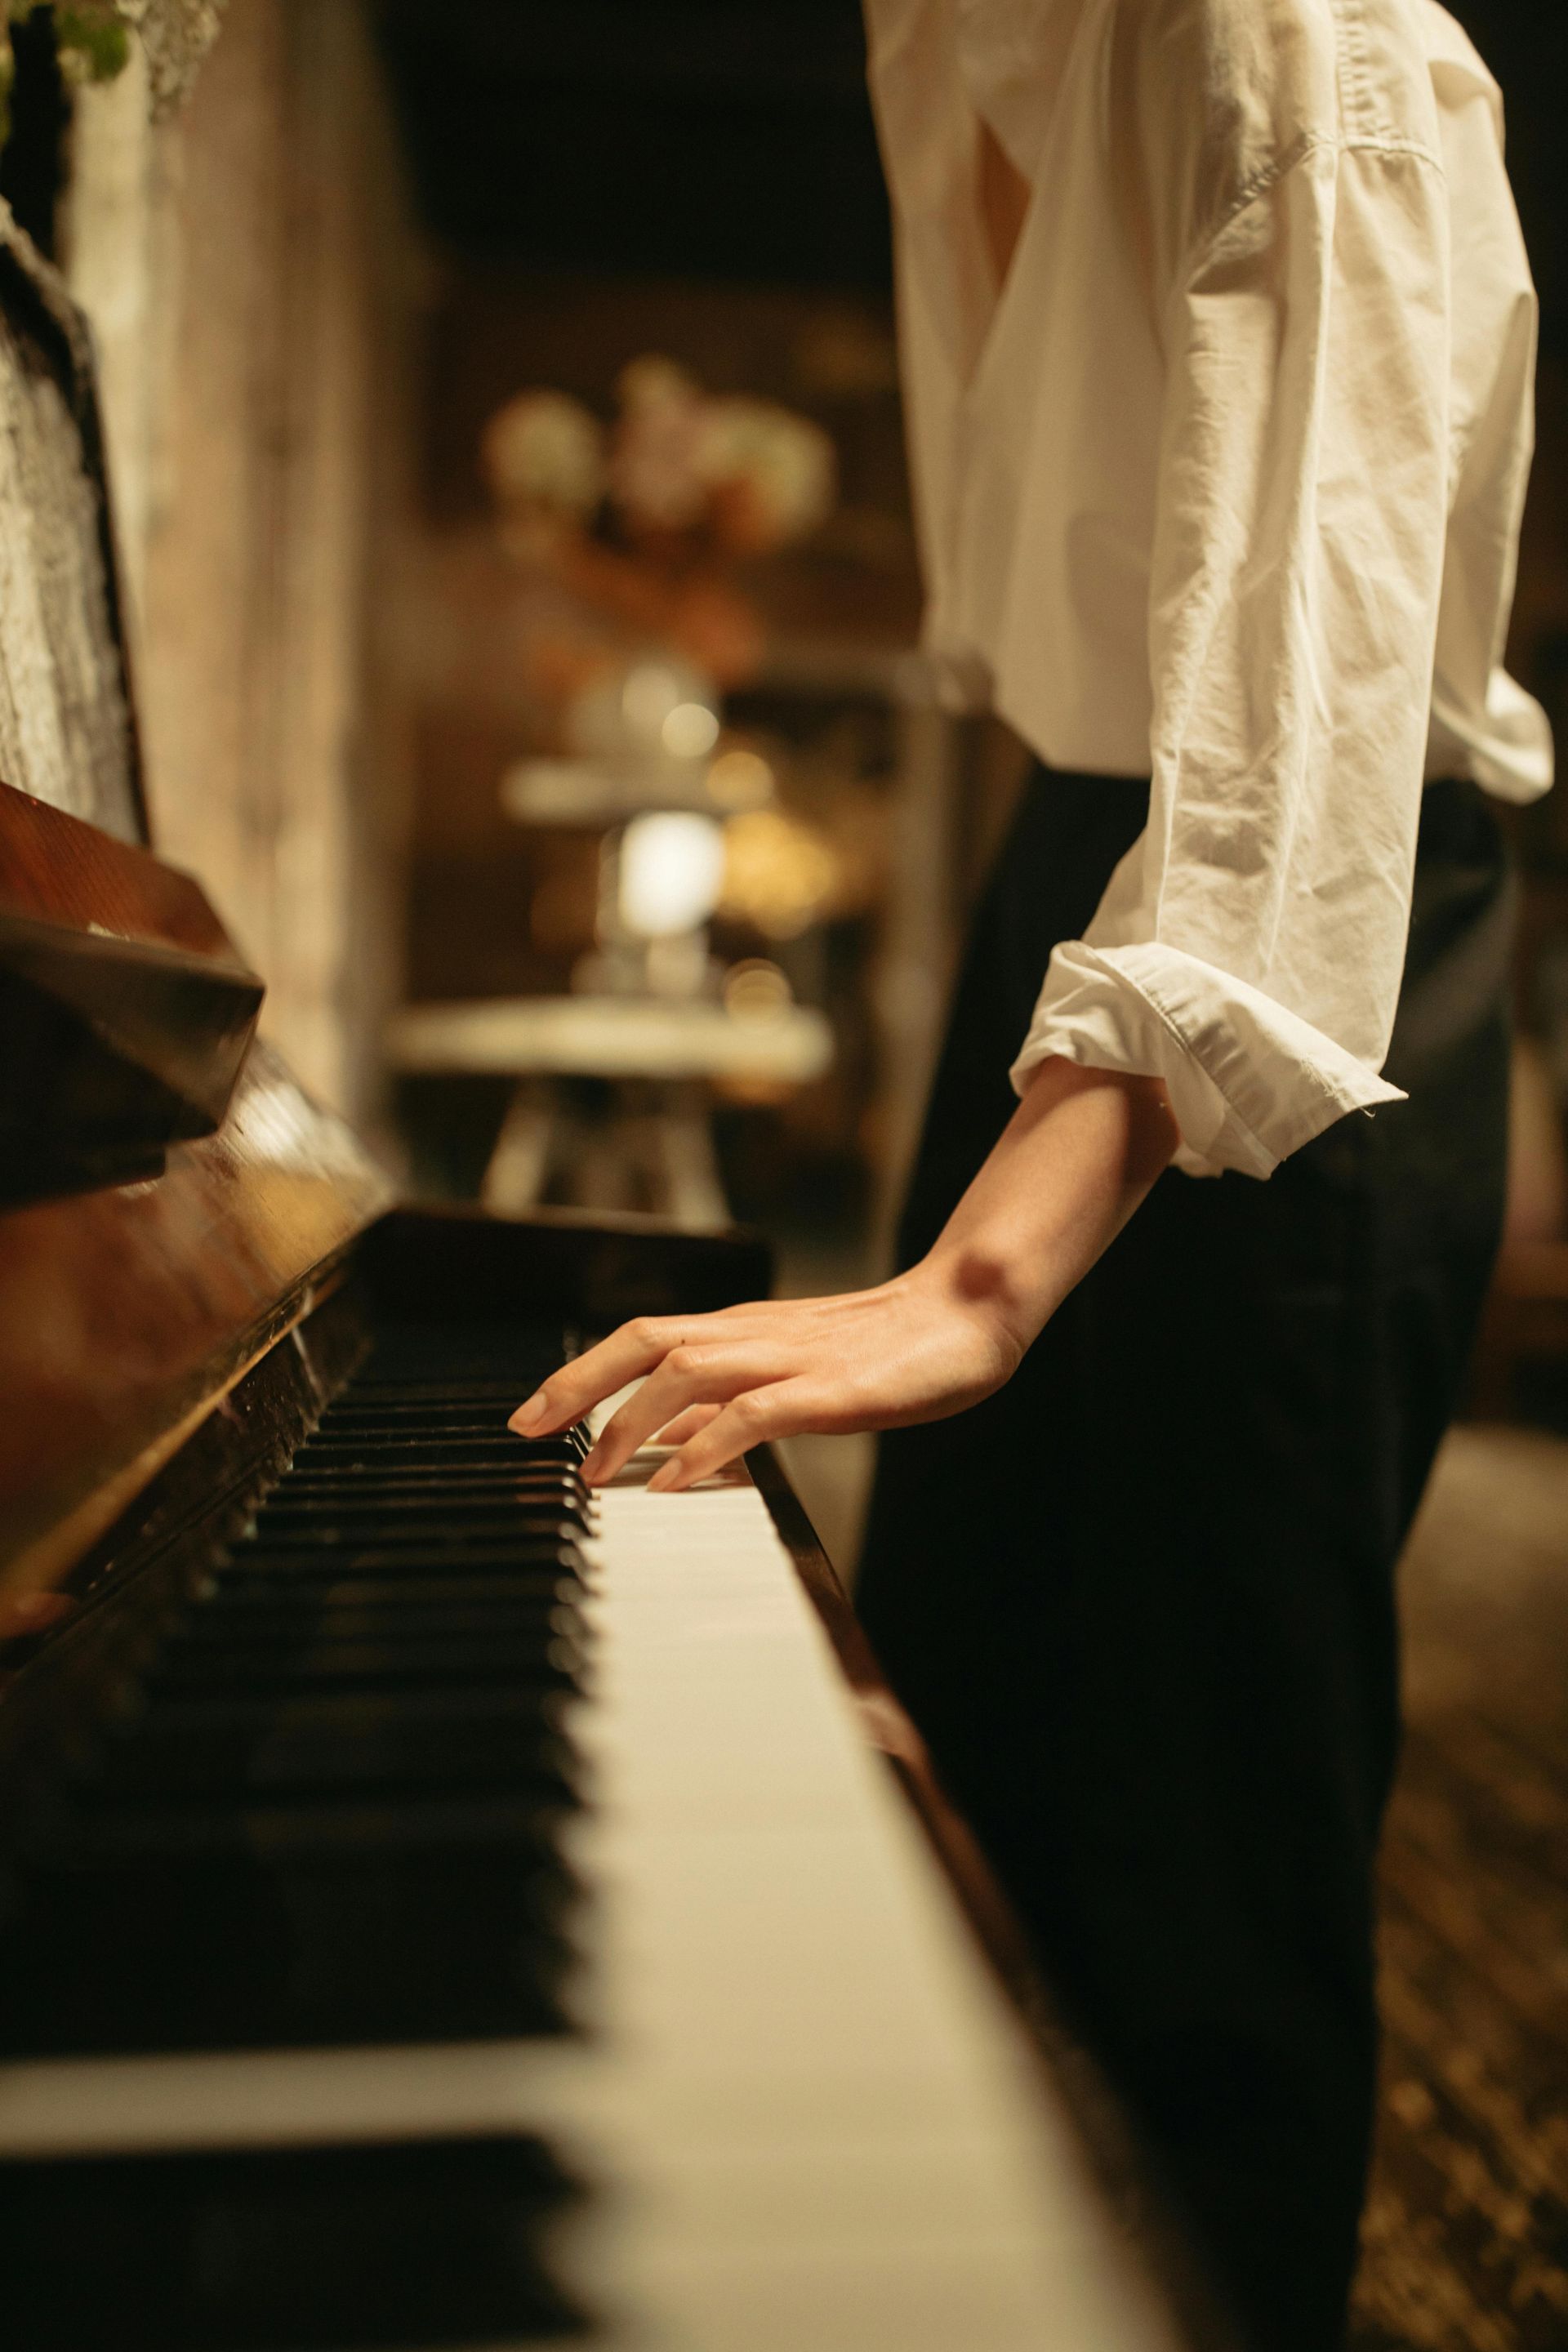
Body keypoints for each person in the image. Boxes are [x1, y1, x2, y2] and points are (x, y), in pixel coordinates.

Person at [508, 3, 1552, 2343]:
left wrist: (985, 1278)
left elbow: (1314, 705)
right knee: (976, 1806)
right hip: (1092, 887)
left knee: (1187, 1910)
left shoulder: (1305, 31)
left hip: (1299, 933)